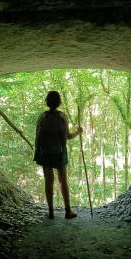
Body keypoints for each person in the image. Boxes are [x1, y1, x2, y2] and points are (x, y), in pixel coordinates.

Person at [34, 91, 83, 219]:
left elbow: (36, 137)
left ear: (46, 102)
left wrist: (37, 151)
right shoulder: (62, 117)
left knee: (48, 181)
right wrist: (78, 132)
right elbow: (67, 136)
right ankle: (68, 211)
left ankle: (50, 212)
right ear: (60, 102)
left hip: (44, 153)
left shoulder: (42, 117)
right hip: (60, 153)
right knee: (62, 181)